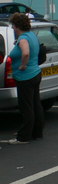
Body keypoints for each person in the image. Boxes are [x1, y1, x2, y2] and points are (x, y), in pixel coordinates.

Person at [3, 13, 44, 144]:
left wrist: (22, 65)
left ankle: (24, 136)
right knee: (35, 104)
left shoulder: (23, 38)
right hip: (35, 73)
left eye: (13, 26)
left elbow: (25, 52)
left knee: (26, 107)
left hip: (25, 76)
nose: (13, 29)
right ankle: (36, 132)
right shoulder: (32, 35)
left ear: (16, 26)